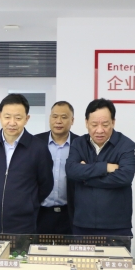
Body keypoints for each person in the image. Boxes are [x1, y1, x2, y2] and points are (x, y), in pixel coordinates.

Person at [0, 93, 53, 234]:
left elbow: (46, 184)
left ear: (27, 119)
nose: (12, 122)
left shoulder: (38, 148)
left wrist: (28, 202)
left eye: (18, 118)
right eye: (7, 117)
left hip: (23, 226)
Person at [66, 98, 135, 236]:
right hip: (83, 224)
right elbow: (71, 171)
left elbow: (125, 176)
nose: (99, 130)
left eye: (105, 124)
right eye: (94, 124)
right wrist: (105, 167)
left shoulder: (125, 145)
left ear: (113, 122)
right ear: (86, 123)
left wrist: (86, 178)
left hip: (116, 226)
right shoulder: (78, 143)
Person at [35, 101, 79, 235]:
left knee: (69, 249)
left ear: (72, 120)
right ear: (50, 118)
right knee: (37, 248)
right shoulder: (35, 143)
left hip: (70, 214)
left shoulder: (81, 144)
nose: (58, 121)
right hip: (40, 214)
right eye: (54, 116)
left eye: (64, 117)